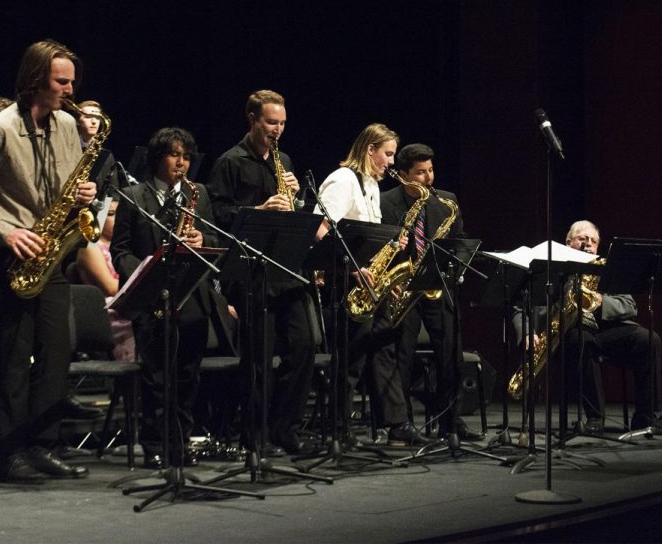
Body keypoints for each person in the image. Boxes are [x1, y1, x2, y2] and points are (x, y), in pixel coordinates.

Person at [0, 39, 95, 483]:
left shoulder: (69, 126)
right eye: (61, 81)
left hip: (51, 252)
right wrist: (7, 230)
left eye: (72, 81)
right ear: (35, 80)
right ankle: (9, 455)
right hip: (10, 252)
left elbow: (67, 187)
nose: (70, 90)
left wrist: (83, 196)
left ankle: (43, 445)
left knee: (56, 352)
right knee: (14, 356)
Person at [111, 126, 234, 468]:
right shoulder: (134, 196)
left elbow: (212, 238)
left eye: (186, 156)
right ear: (157, 158)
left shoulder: (199, 194)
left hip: (191, 296)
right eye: (174, 155)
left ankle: (180, 442)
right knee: (156, 376)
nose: (181, 162)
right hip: (151, 297)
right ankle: (153, 443)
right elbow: (120, 251)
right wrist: (146, 273)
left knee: (188, 374)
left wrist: (200, 237)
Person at [206, 89, 316, 455]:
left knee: (304, 345)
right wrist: (257, 209)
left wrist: (297, 201)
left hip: (285, 268)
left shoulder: (282, 160)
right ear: (252, 120)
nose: (278, 130)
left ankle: (285, 427)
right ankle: (255, 435)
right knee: (259, 357)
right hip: (250, 273)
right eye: (271, 122)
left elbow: (292, 217)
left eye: (283, 123)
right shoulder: (230, 162)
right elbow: (217, 216)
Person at [313, 124, 430, 446]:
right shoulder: (342, 180)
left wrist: (388, 262)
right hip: (344, 282)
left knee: (383, 349)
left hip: (369, 281)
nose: (391, 162)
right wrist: (352, 269)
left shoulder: (371, 185)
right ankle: (339, 430)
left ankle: (396, 423)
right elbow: (320, 229)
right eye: (388, 154)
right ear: (370, 150)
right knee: (350, 360)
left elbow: (369, 239)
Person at [518, 220, 662, 435]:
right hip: (566, 334)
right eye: (582, 239)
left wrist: (600, 300)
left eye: (593, 241)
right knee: (582, 340)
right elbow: (521, 307)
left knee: (649, 339)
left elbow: (629, 306)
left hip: (606, 331)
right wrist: (528, 332)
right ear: (568, 243)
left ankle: (646, 418)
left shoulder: (606, 269)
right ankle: (595, 417)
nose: (588, 244)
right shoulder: (550, 270)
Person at [378, 143, 482, 441]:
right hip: (404, 290)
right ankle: (401, 424)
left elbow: (459, 241)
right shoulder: (386, 203)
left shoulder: (446, 201)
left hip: (439, 287)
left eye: (431, 171)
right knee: (401, 357)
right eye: (420, 173)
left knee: (451, 355)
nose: (428, 178)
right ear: (403, 175)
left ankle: (451, 422)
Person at [75, 200, 135, 362]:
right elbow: (112, 288)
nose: (117, 218)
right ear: (98, 217)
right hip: (113, 314)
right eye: (110, 214)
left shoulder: (125, 246)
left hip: (132, 307)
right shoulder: (90, 248)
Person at [73, 99, 117, 204]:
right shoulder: (66, 147)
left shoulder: (106, 156)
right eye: (88, 117)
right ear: (77, 121)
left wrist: (102, 218)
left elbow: (111, 190)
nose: (94, 121)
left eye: (98, 117)